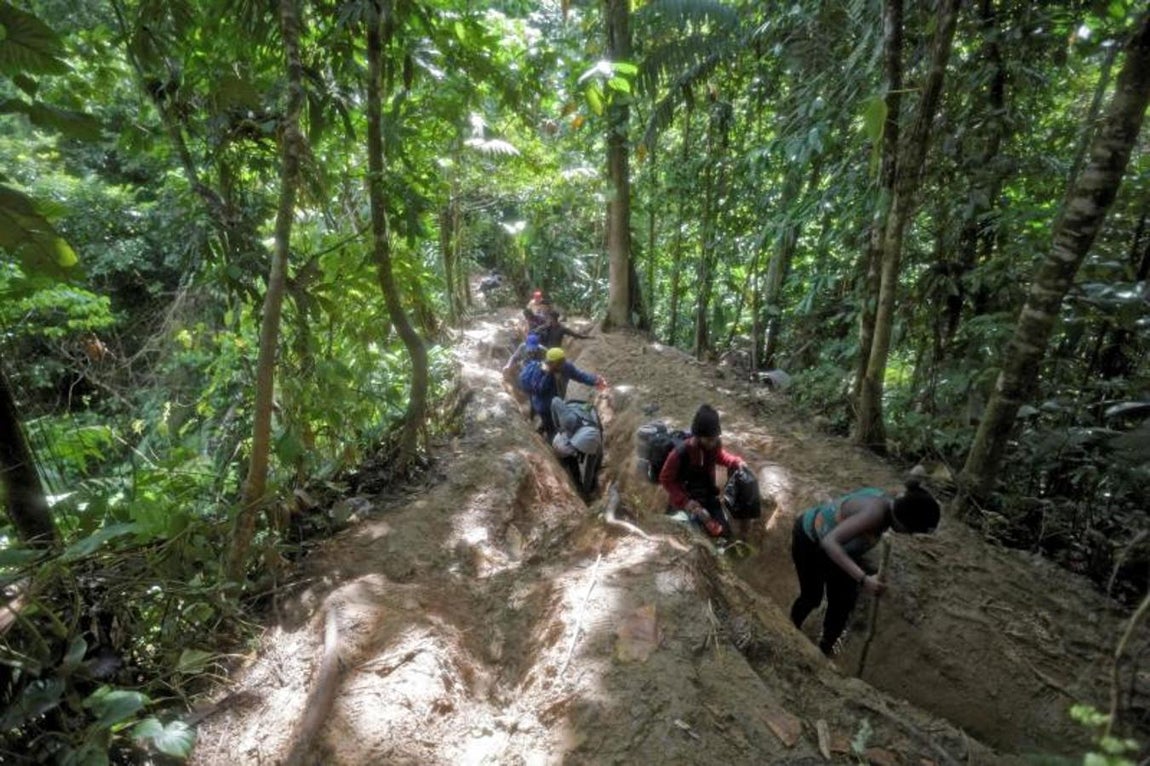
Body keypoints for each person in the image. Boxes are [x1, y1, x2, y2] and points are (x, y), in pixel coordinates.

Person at [790, 477, 940, 657]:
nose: (908, 535)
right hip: (811, 541)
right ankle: (789, 630)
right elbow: (830, 543)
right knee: (812, 596)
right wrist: (863, 579)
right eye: (910, 531)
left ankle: (824, 651)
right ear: (901, 522)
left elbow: (915, 478)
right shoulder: (874, 514)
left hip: (842, 551)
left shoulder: (895, 501)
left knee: (843, 603)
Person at [658, 405, 750, 539]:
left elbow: (720, 456)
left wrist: (736, 461)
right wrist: (685, 502)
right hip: (685, 498)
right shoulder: (680, 453)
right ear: (698, 436)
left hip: (707, 496)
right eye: (709, 440)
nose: (713, 443)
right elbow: (665, 479)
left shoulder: (714, 444)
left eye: (715, 438)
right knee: (690, 537)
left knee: (724, 534)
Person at [530, 347, 606, 438]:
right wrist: (548, 374)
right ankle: (551, 443)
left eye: (563, 360)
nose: (563, 363)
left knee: (555, 421)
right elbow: (539, 390)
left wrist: (595, 380)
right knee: (551, 429)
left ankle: (543, 429)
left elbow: (580, 376)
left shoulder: (566, 367)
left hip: (557, 401)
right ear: (552, 362)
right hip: (543, 405)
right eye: (560, 362)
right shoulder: (541, 371)